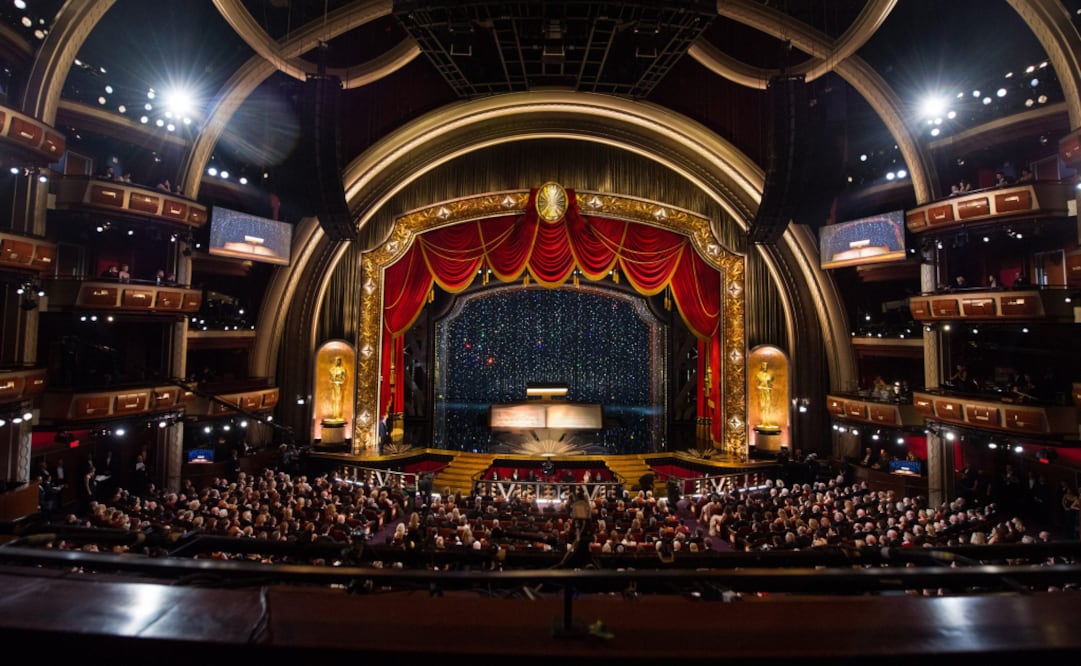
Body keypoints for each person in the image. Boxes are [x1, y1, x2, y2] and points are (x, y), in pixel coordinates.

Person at [326, 356, 347, 422]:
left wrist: (339, 381)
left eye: (339, 360)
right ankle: (334, 415)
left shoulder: (343, 369)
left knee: (338, 400)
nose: (338, 362)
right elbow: (330, 378)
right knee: (333, 400)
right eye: (337, 360)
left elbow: (343, 379)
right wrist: (333, 381)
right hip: (333, 386)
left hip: (339, 386)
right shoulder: (332, 369)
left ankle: (338, 415)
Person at [755, 360, 775, 425]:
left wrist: (769, 386)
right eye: (763, 365)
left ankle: (767, 421)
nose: (764, 367)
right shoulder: (759, 374)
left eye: (765, 366)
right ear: (761, 366)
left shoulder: (768, 375)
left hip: (767, 392)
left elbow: (770, 384)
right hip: (762, 392)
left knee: (768, 406)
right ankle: (763, 421)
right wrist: (762, 387)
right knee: (763, 406)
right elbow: (758, 385)